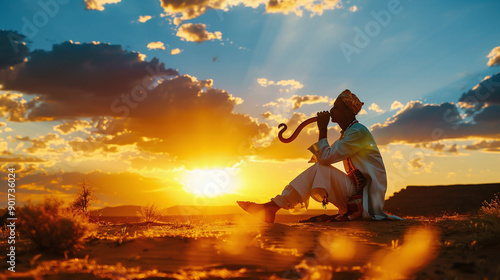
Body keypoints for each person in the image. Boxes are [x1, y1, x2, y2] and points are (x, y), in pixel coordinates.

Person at [237, 89, 402, 223]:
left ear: (348, 111)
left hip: (366, 199)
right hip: (356, 194)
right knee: (320, 168)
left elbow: (325, 158)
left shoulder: (357, 132)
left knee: (320, 167)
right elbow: (325, 157)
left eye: (336, 107)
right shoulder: (348, 133)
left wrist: (322, 129)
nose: (331, 111)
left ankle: (271, 207)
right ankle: (272, 207)